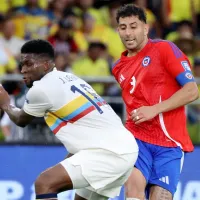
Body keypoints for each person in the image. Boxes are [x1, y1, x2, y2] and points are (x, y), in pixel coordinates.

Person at [0, 39, 139, 200]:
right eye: (22, 64)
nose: (23, 70)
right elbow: (87, 129)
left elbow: (21, 120)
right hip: (124, 149)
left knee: (44, 183)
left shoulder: (41, 89)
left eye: (29, 64)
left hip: (108, 153)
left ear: (45, 65)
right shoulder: (69, 77)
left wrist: (5, 104)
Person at [112, 4, 199, 200]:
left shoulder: (164, 49)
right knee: (133, 191)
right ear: (118, 30)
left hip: (170, 143)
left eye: (133, 26)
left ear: (145, 28)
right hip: (137, 138)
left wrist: (154, 110)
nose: (128, 32)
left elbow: (192, 90)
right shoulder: (118, 67)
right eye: (123, 27)